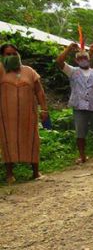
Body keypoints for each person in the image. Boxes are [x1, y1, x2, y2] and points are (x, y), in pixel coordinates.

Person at [0, 43, 49, 183]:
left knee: (32, 140)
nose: (12, 56)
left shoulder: (29, 71)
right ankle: (9, 174)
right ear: (2, 57)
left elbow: (39, 91)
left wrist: (44, 108)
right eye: (8, 54)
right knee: (8, 142)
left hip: (28, 115)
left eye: (14, 53)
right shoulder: (1, 70)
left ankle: (35, 172)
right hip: (6, 117)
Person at [55, 42, 93, 163]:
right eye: (79, 58)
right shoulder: (72, 71)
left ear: (89, 59)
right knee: (80, 132)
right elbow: (59, 61)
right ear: (76, 61)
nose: (83, 60)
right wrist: (69, 48)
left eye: (85, 57)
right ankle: (82, 156)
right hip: (79, 106)